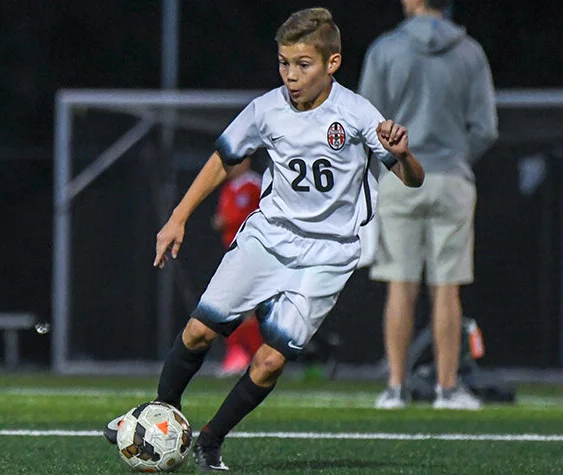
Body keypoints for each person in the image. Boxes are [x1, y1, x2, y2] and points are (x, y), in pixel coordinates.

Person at [105, 7, 424, 471]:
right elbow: (223, 158)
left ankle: (211, 441)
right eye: (283, 63)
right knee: (198, 331)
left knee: (270, 362)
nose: (290, 76)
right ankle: (157, 414)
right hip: (268, 238)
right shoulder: (266, 108)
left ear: (332, 64)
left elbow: (412, 179)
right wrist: (179, 217)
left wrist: (405, 154)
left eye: (303, 64)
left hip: (328, 256)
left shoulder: (356, 114)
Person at [358, 0, 498, 410]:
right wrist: (453, 159)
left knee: (400, 285)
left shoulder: (385, 49)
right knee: (446, 287)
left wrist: (397, 164)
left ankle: (396, 388)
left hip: (401, 178)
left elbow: (368, 122)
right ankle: (447, 389)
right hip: (452, 179)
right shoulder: (471, 51)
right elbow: (486, 129)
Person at [211, 158, 264, 376]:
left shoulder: (254, 184)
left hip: (252, 252)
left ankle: (254, 357)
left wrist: (226, 221)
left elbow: (255, 214)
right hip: (233, 252)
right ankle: (243, 356)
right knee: (235, 307)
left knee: (241, 306)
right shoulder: (228, 187)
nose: (230, 168)